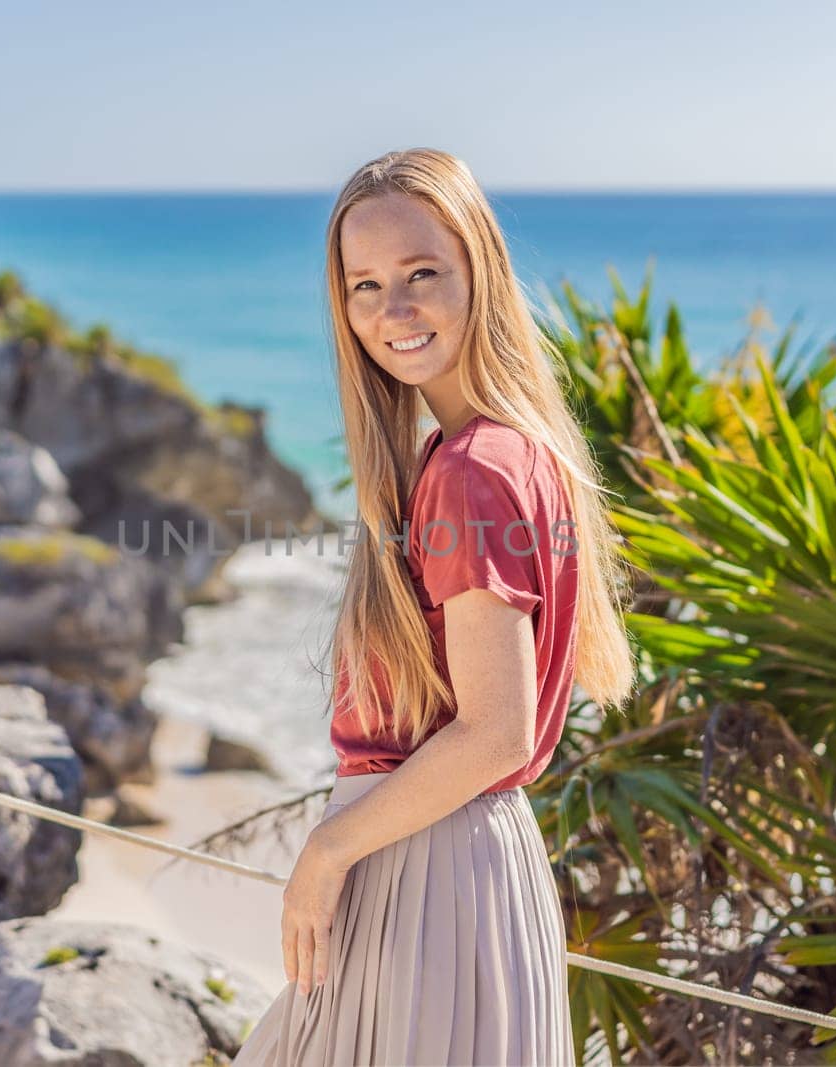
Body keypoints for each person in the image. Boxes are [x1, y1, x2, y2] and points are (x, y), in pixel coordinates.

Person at [231, 148, 636, 1066]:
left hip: (424, 875)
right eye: (365, 284)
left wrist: (327, 853)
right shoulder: (520, 450)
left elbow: (495, 731)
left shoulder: (469, 469)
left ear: (479, 273)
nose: (394, 310)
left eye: (423, 274)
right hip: (473, 871)